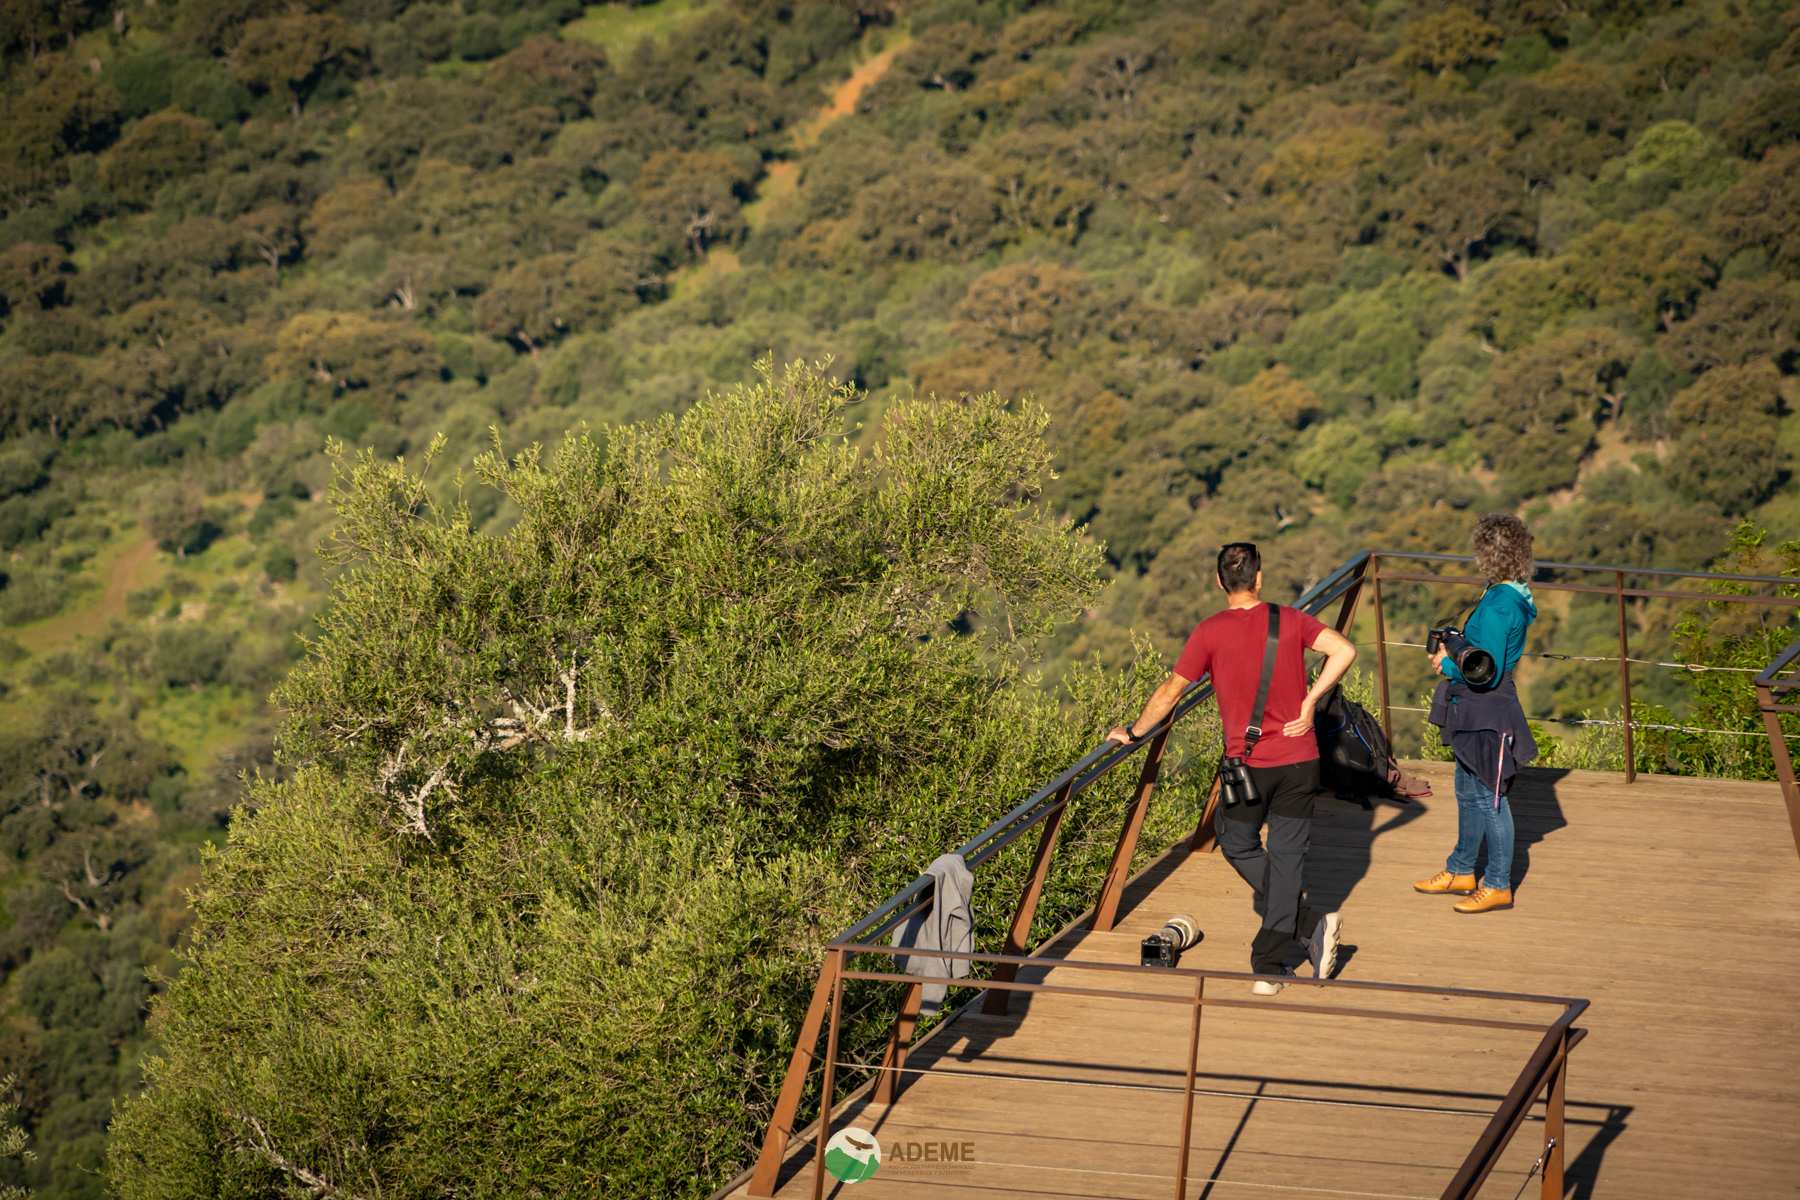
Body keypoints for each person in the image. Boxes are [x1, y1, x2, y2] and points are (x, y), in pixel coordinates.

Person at [1108, 543, 1358, 995]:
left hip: (1247, 765)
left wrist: (1135, 730)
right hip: (1301, 761)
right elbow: (1343, 649)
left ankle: (1269, 965)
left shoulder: (1209, 632)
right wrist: (1310, 699)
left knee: (1238, 841)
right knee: (1282, 860)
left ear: (1220, 582)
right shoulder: (1291, 620)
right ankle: (1305, 925)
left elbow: (1170, 693)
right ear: (1259, 579)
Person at [1414, 513, 1539, 914]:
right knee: (1467, 793)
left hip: (1488, 708)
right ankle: (1461, 870)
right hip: (1471, 707)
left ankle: (1498, 883)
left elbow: (1489, 671)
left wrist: (1446, 665)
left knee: (1491, 800)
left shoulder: (1502, 604)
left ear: (1487, 553)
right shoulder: (1501, 591)